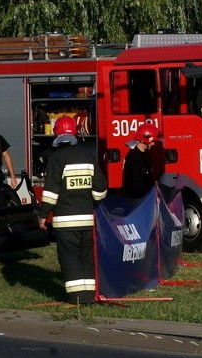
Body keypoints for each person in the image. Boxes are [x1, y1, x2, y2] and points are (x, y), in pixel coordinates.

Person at [37, 116, 107, 305]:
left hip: (66, 221)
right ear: (75, 133)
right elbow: (100, 189)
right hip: (86, 219)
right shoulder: (88, 155)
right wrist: (92, 203)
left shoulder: (56, 159)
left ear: (57, 134)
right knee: (86, 257)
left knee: (70, 257)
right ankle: (89, 296)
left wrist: (43, 215)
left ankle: (77, 298)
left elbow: (51, 192)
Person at [122, 124, 160, 198]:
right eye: (152, 141)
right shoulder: (135, 158)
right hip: (137, 201)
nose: (154, 143)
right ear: (146, 140)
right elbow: (136, 185)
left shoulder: (145, 154)